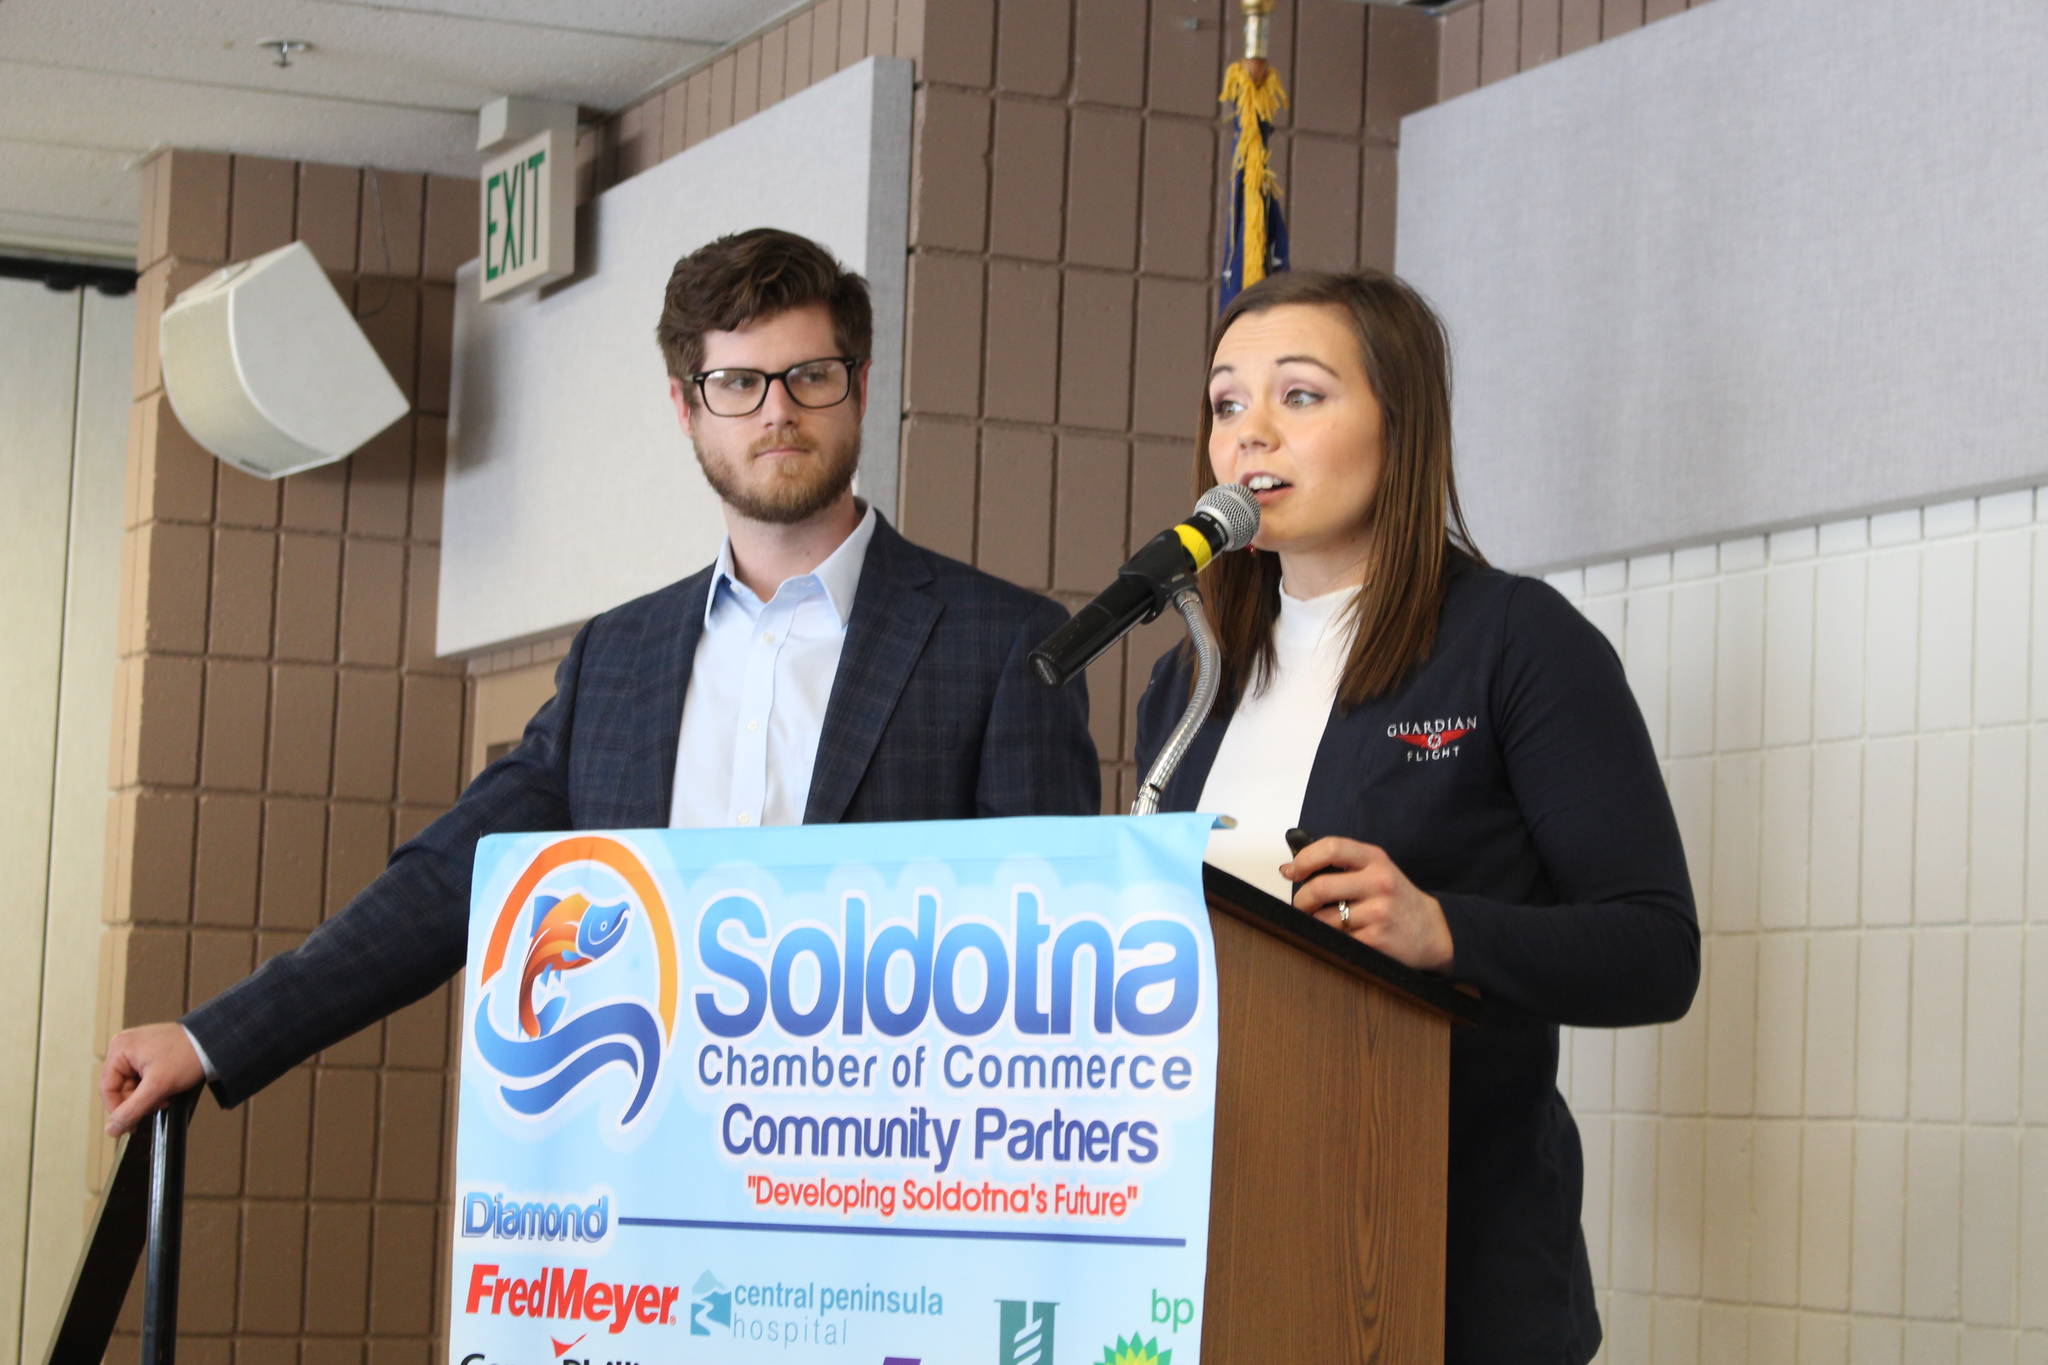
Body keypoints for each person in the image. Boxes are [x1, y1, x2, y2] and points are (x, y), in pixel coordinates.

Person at [103, 227, 1099, 1133]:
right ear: (685, 406)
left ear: (862, 385)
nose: (778, 412)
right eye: (739, 384)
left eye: (810, 377)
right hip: (647, 1169)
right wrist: (213, 1039)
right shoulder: (616, 660)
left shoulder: (1002, 645)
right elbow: (454, 877)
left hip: (888, 1185)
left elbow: (1051, 954)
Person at [1134, 269, 1698, 1363]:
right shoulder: (1190, 677)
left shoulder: (1516, 642)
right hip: (1223, 1253)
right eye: (1224, 403)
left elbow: (1654, 950)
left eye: (1298, 397)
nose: (1251, 434)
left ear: (1401, 426)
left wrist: (1445, 931)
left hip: (1447, 1267)